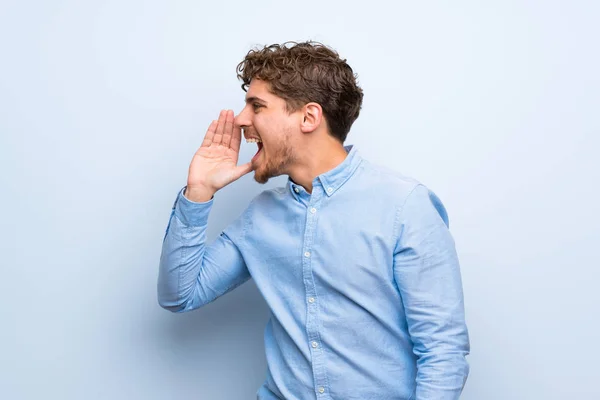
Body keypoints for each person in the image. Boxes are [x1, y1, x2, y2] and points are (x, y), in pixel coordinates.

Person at [157, 41, 470, 400]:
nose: (241, 119)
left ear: (309, 117)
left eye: (257, 106)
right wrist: (198, 191)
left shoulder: (404, 205)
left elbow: (443, 350)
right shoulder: (260, 217)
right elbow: (180, 295)